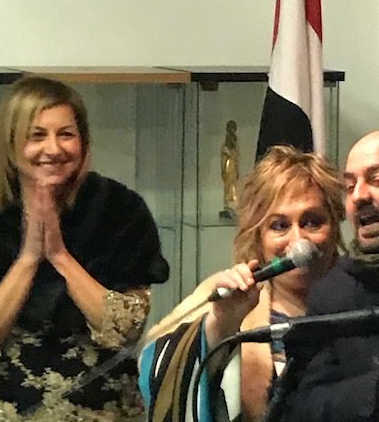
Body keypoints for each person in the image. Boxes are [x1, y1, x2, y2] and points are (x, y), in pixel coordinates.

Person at [0, 76, 169, 422]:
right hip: (6, 412)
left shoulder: (120, 209)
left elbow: (125, 331)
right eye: (37, 135)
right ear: (10, 143)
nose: (53, 149)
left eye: (66, 134)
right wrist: (28, 259)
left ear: (83, 141)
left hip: (106, 411)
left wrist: (60, 256)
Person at [139, 145, 345, 422]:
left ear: (335, 227)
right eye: (279, 226)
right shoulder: (227, 301)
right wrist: (219, 326)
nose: (298, 241)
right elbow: (160, 378)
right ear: (257, 236)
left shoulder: (363, 296)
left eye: (312, 222)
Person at [284, 131, 379, 422]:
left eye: (376, 179)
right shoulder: (333, 294)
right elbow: (302, 406)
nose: (359, 195)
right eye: (349, 186)